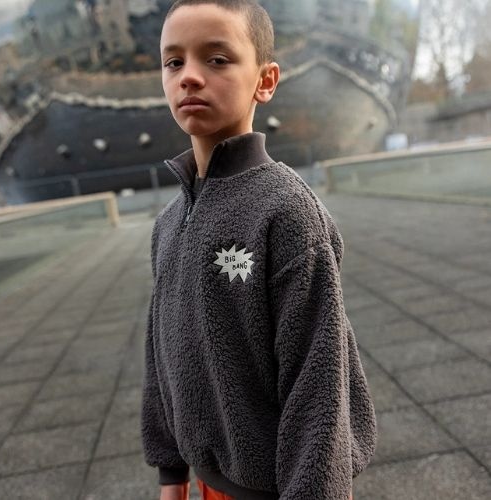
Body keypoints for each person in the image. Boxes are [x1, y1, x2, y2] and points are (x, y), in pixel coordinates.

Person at [140, 1, 377, 499]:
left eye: (217, 59)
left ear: (265, 81)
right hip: (206, 481)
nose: (189, 77)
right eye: (174, 61)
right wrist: (170, 471)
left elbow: (318, 380)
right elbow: (161, 353)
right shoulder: (168, 223)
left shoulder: (287, 211)